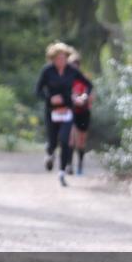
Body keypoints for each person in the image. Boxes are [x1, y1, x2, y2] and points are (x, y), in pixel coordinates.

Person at [34, 42, 92, 187]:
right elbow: (38, 91)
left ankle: (61, 173)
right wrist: (49, 98)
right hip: (52, 111)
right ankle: (50, 152)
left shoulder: (72, 71)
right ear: (53, 59)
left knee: (65, 140)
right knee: (53, 141)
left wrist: (84, 96)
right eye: (59, 58)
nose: (62, 61)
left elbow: (88, 84)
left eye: (64, 58)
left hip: (67, 109)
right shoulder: (47, 71)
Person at [67, 50, 94, 176]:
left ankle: (80, 165)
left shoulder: (83, 79)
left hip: (83, 112)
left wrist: (84, 98)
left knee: (81, 141)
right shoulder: (67, 79)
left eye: (76, 65)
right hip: (71, 111)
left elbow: (91, 94)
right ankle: (69, 165)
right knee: (71, 139)